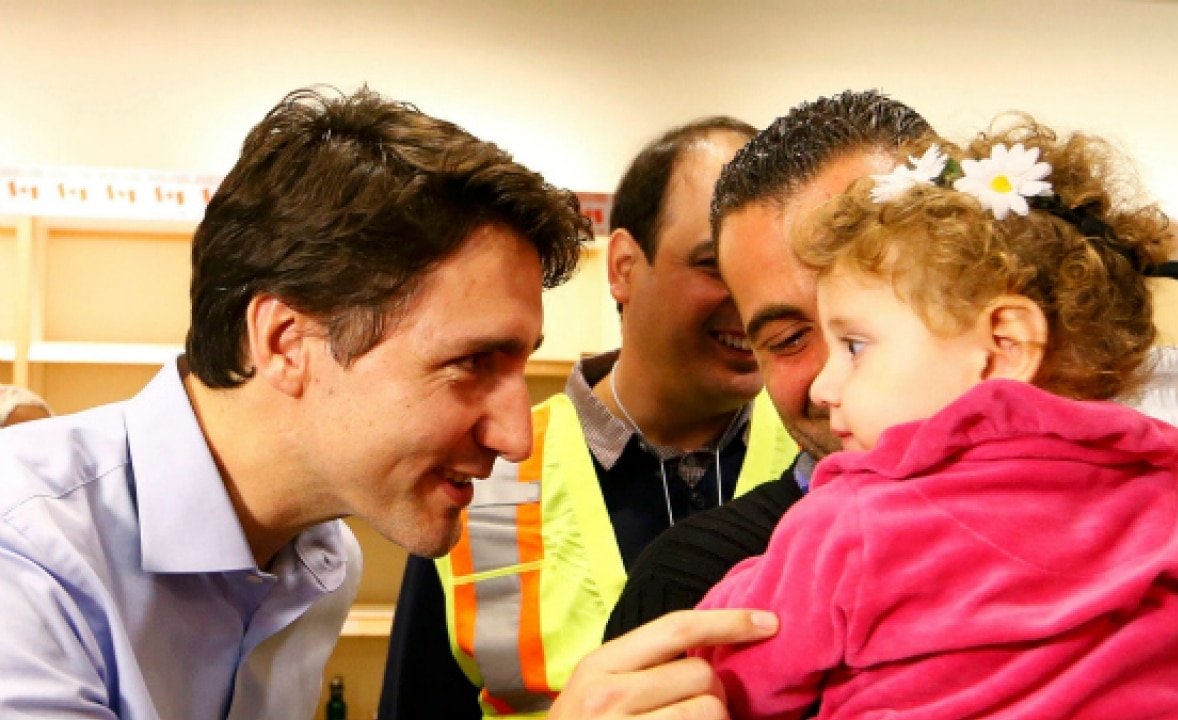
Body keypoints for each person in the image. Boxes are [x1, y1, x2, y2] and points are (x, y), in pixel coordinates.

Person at [0, 86, 777, 720]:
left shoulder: (317, 560)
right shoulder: (27, 558)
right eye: (472, 362)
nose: (517, 436)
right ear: (284, 341)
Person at [691, 116, 1178, 719]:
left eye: (856, 346)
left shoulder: (851, 525)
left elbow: (729, 680)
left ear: (1004, 345)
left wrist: (744, 590)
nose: (825, 382)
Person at [379, 117, 798, 719]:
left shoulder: (831, 460)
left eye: (772, 273)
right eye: (715, 265)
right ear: (625, 265)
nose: (758, 303)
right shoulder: (480, 474)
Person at [606, 90, 932, 637]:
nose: (834, 378)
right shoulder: (695, 594)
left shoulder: (1117, 517)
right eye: (788, 338)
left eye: (882, 309)